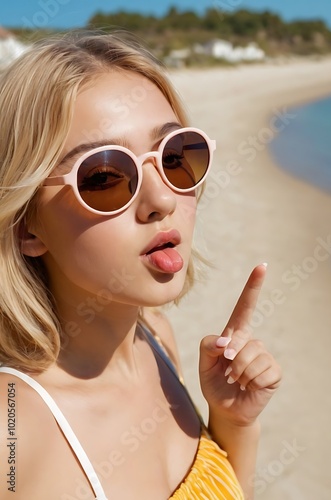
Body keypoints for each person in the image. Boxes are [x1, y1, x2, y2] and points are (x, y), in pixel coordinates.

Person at [0, 32, 281, 499]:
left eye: (174, 157)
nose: (162, 199)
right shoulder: (15, 431)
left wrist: (234, 422)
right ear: (27, 226)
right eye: (105, 177)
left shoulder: (159, 342)